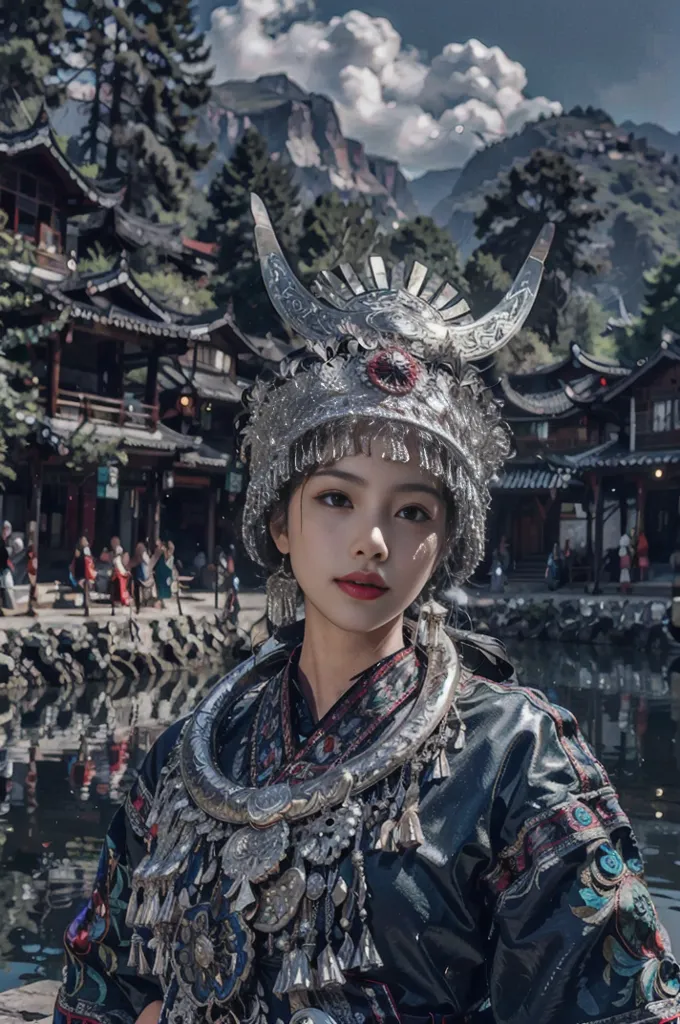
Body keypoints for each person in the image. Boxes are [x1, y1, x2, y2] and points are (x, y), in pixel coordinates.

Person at [53, 196, 680, 1024]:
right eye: (338, 498)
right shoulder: (184, 760)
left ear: (448, 538)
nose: (374, 540)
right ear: (280, 518)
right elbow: (96, 994)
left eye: (413, 510)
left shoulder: (519, 758)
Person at [153, 540, 173, 609]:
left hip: (165, 573)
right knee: (160, 589)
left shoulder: (167, 553)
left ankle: (160, 602)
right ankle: (160, 602)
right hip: (161, 572)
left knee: (163, 589)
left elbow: (167, 558)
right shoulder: (159, 552)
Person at [110, 545, 131, 613]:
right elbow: (120, 568)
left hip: (116, 576)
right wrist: (125, 573)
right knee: (121, 588)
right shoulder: (118, 559)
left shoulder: (116, 559)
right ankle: (121, 600)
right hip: (118, 577)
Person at [619, 530, 632, 595]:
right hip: (625, 563)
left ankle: (623, 587)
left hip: (623, 563)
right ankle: (626, 586)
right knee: (626, 574)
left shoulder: (621, 549)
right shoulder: (626, 549)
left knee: (623, 574)